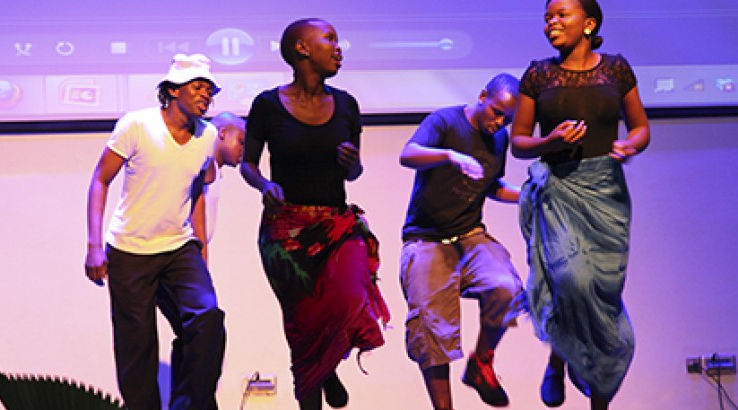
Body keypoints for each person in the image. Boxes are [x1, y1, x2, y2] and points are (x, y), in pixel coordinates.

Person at [239, 18, 390, 410]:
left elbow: (353, 172)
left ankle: (329, 364)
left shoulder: (346, 104)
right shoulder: (268, 105)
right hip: (285, 232)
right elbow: (247, 164)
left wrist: (354, 163)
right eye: (330, 39)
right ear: (302, 49)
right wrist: (263, 185)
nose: (339, 47)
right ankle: (319, 379)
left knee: (349, 298)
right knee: (302, 326)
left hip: (335, 224)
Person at [510, 0, 651, 409]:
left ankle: (599, 399)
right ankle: (558, 356)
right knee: (572, 280)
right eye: (547, 17)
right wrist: (548, 142)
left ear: (588, 24)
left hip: (605, 192)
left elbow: (641, 126)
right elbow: (519, 141)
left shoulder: (617, 69)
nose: (551, 23)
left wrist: (630, 145)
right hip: (559, 191)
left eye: (561, 15)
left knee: (601, 293)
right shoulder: (538, 74)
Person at [84, 53, 227, 410]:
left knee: (207, 318)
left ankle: (191, 404)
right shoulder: (136, 126)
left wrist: (201, 247)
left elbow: (197, 191)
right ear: (173, 90)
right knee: (137, 347)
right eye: (198, 87)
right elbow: (100, 180)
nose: (205, 95)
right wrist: (94, 246)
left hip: (178, 248)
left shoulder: (207, 136)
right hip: (130, 251)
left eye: (210, 90)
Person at [399, 73, 526, 410]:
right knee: (431, 325)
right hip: (426, 238)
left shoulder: (499, 139)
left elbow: (492, 185)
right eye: (496, 112)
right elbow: (407, 154)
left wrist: (525, 196)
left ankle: (481, 364)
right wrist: (449, 156)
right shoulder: (445, 120)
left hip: (470, 235)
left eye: (507, 119)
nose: (498, 123)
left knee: (506, 288)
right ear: (483, 95)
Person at [156, 111, 246, 409]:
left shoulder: (215, 172)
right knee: (207, 326)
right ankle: (196, 405)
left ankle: (192, 403)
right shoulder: (200, 159)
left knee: (194, 333)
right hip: (171, 260)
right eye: (241, 141)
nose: (244, 150)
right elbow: (195, 227)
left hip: (187, 264)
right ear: (220, 133)